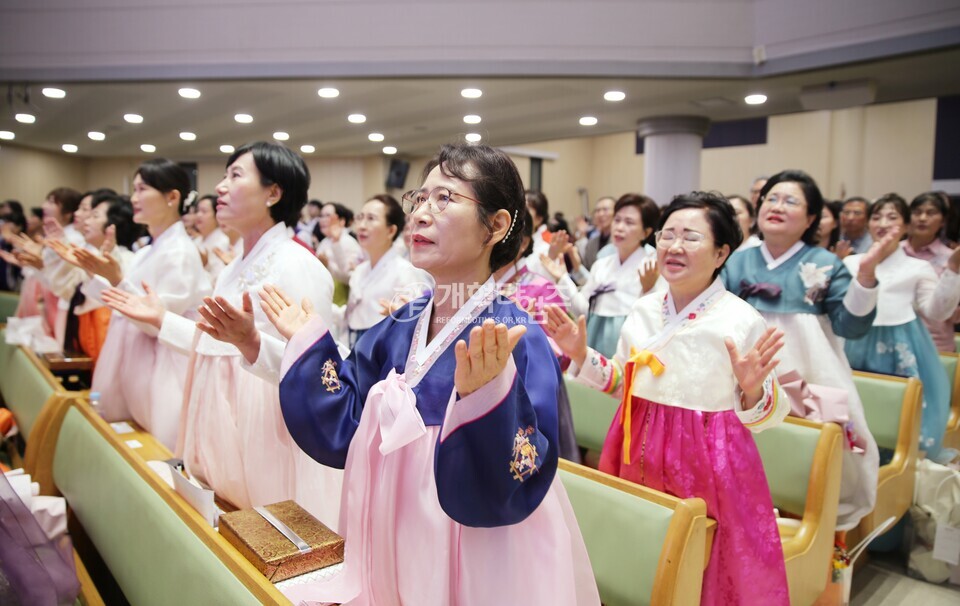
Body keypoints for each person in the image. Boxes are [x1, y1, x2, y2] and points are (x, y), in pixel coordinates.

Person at [264, 143, 598, 605]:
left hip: (478, 543)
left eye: (445, 199)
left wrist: (486, 401)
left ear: (496, 226)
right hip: (392, 523)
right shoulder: (398, 327)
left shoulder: (518, 336)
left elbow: (529, 464)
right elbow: (346, 424)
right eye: (419, 199)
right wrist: (307, 344)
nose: (421, 213)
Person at [545, 191, 790, 605]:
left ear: (720, 253)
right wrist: (581, 355)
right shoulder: (643, 310)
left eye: (691, 237)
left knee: (706, 564)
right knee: (638, 553)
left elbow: (766, 416)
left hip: (709, 460)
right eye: (668, 234)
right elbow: (622, 384)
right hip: (634, 443)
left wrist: (750, 389)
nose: (674, 246)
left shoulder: (740, 319)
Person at [101, 142, 342, 525]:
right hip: (221, 415)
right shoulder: (234, 267)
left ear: (273, 193)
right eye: (223, 175)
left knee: (260, 532)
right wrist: (163, 319)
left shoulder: (298, 264)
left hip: (266, 427)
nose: (221, 187)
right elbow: (215, 344)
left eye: (235, 175)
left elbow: (323, 372)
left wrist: (253, 344)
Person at [721, 169, 890, 533]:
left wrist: (865, 276)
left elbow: (851, 326)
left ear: (811, 217)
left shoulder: (826, 263)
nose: (777, 206)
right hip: (746, 371)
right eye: (771, 199)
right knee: (746, 447)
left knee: (812, 452)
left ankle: (814, 532)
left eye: (790, 200)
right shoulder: (737, 260)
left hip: (812, 372)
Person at [78, 159, 211, 450]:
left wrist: (115, 279)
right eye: (134, 189)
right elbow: (123, 302)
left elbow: (156, 320)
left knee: (156, 445)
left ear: (172, 197)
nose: (133, 198)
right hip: (136, 354)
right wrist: (99, 274)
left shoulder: (180, 252)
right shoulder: (150, 248)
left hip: (162, 363)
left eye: (142, 189)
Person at [844, 194, 960, 461]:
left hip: (901, 345)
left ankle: (896, 470)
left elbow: (937, 311)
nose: (883, 223)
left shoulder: (918, 267)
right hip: (854, 343)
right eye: (877, 216)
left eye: (893, 217)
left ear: (906, 227)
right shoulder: (851, 263)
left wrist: (953, 269)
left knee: (895, 416)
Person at [541, 193, 662, 357]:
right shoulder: (602, 264)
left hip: (629, 348)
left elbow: (656, 319)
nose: (619, 227)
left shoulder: (653, 265)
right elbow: (582, 309)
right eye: (617, 220)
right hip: (593, 342)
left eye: (629, 222)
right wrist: (562, 278)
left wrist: (648, 290)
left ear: (646, 232)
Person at [46, 192, 140, 363]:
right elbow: (63, 288)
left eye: (94, 216)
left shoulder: (129, 260)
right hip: (84, 337)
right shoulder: (90, 253)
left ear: (113, 225)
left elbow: (115, 303)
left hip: (107, 342)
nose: (87, 220)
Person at [337, 194, 431, 348]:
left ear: (391, 231)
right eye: (360, 217)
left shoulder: (405, 272)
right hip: (353, 344)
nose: (361, 225)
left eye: (371, 218)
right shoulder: (360, 271)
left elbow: (414, 326)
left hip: (383, 350)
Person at [903, 192, 960, 352]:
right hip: (894, 339)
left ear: (942, 221)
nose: (922, 218)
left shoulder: (952, 260)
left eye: (930, 213)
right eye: (917, 212)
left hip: (935, 344)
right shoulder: (893, 252)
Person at [315, 202, 364, 305]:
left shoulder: (348, 241)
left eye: (327, 216)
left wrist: (328, 265)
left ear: (341, 221)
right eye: (321, 216)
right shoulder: (325, 241)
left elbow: (350, 277)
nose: (322, 220)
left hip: (341, 302)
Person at [192, 194, 232, 282]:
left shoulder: (223, 241)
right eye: (197, 211)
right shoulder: (196, 241)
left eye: (204, 211)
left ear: (216, 215)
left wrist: (205, 265)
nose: (198, 215)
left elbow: (219, 277)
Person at [581, 196, 615, 270]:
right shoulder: (591, 244)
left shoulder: (620, 244)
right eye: (597, 211)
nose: (600, 214)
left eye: (605, 210)